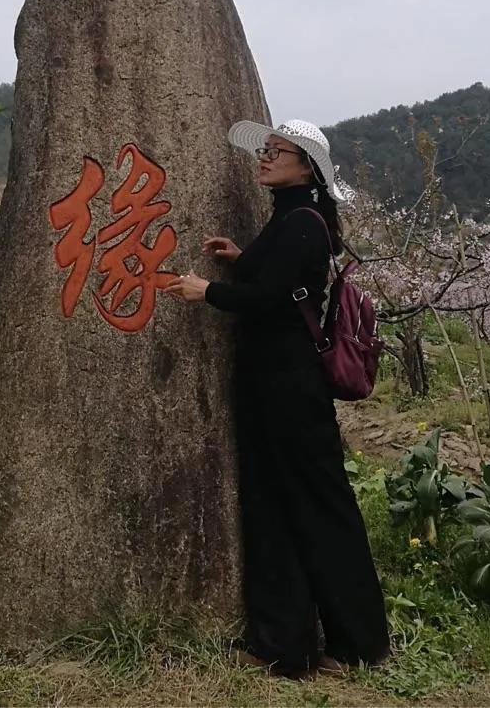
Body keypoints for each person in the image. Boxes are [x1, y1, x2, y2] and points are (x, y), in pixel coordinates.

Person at [166, 118, 390, 678]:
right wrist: (243, 257)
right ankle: (284, 646)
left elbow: (271, 299)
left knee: (316, 508)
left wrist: (207, 290)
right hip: (273, 383)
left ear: (306, 166)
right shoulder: (289, 218)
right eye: (263, 150)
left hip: (290, 386)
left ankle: (357, 643)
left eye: (277, 151)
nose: (264, 158)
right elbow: (290, 283)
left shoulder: (303, 222)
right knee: (274, 508)